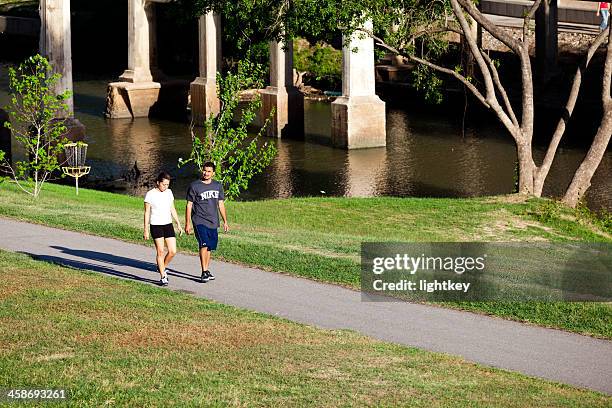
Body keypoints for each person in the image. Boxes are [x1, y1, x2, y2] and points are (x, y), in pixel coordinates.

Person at [185, 162, 229, 283]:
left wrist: (225, 221)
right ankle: (204, 271)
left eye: (209, 171)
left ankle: (207, 270)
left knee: (209, 246)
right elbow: (189, 205)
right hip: (199, 220)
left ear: (213, 173)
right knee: (203, 244)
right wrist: (188, 223)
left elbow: (221, 204)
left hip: (213, 221)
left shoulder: (218, 186)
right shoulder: (195, 186)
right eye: (204, 170)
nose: (206, 173)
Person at [144, 171, 183, 286]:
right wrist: (146, 229)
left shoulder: (169, 193)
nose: (166, 187)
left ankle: (162, 267)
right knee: (160, 251)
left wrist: (178, 224)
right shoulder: (150, 194)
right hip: (156, 225)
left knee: (172, 251)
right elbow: (147, 212)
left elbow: (172, 209)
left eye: (167, 185)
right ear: (158, 183)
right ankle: (163, 276)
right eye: (163, 184)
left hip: (168, 224)